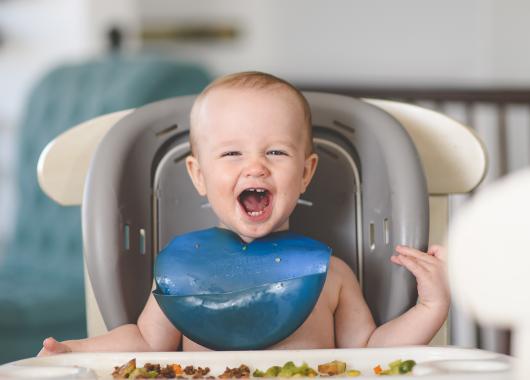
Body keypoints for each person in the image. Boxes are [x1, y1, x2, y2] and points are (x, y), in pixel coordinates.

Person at [39, 71, 449, 355]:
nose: (255, 167)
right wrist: (74, 349)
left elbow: (369, 351)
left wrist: (430, 309)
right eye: (232, 153)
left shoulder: (331, 274)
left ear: (306, 173)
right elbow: (146, 342)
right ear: (198, 176)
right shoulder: (182, 273)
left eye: (275, 152)